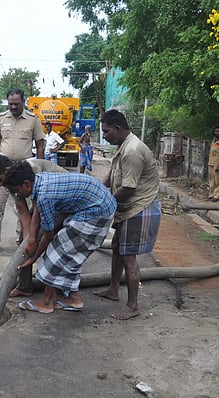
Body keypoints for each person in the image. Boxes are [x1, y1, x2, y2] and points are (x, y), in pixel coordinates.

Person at [3, 161, 116, 313]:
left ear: (26, 184)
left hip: (97, 213)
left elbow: (48, 234)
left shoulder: (44, 196)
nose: (18, 195)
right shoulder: (40, 180)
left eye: (17, 190)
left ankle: (46, 301)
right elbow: (36, 210)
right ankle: (73, 299)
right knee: (69, 255)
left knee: (54, 253)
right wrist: (31, 238)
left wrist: (34, 257)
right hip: (97, 205)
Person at [93, 109, 161, 320]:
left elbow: (128, 188)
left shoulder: (132, 150)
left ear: (118, 129)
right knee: (116, 248)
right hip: (129, 208)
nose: (104, 136)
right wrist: (94, 191)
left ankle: (133, 306)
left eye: (106, 132)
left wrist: (104, 204)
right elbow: (112, 176)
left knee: (128, 257)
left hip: (138, 208)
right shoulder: (122, 146)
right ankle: (113, 290)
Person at [0, 155, 67, 297]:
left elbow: (38, 206)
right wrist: (28, 238)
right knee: (25, 243)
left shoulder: (31, 170)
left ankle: (58, 289)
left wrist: (33, 239)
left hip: (61, 199)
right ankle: (25, 286)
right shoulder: (10, 180)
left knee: (50, 241)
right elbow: (23, 211)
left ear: (6, 170)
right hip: (44, 202)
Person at [0, 88, 45, 254]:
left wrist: (39, 170)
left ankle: (22, 239)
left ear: (23, 102)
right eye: (10, 104)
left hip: (23, 170)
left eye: (16, 104)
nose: (12, 107)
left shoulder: (33, 119)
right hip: (1, 170)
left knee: (25, 207)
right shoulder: (0, 118)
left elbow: (40, 145)